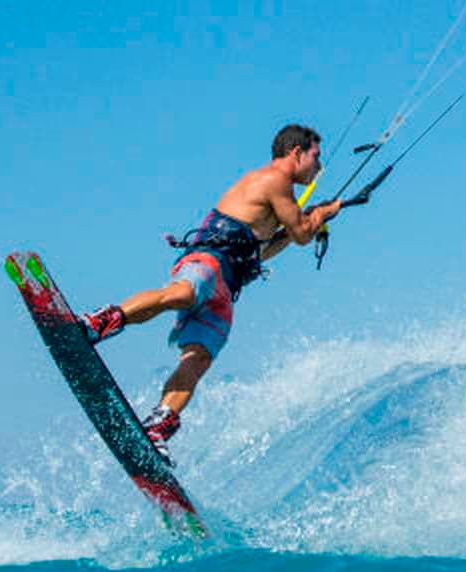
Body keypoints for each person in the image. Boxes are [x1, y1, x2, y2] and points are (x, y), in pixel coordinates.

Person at [79, 124, 342, 465]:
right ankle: (102, 321)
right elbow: (304, 234)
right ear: (296, 152)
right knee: (183, 292)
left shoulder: (279, 198)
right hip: (209, 261)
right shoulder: (275, 179)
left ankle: (158, 425)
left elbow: (265, 250)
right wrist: (321, 213)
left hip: (228, 282)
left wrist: (304, 224)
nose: (318, 166)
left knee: (199, 356)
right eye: (315, 157)